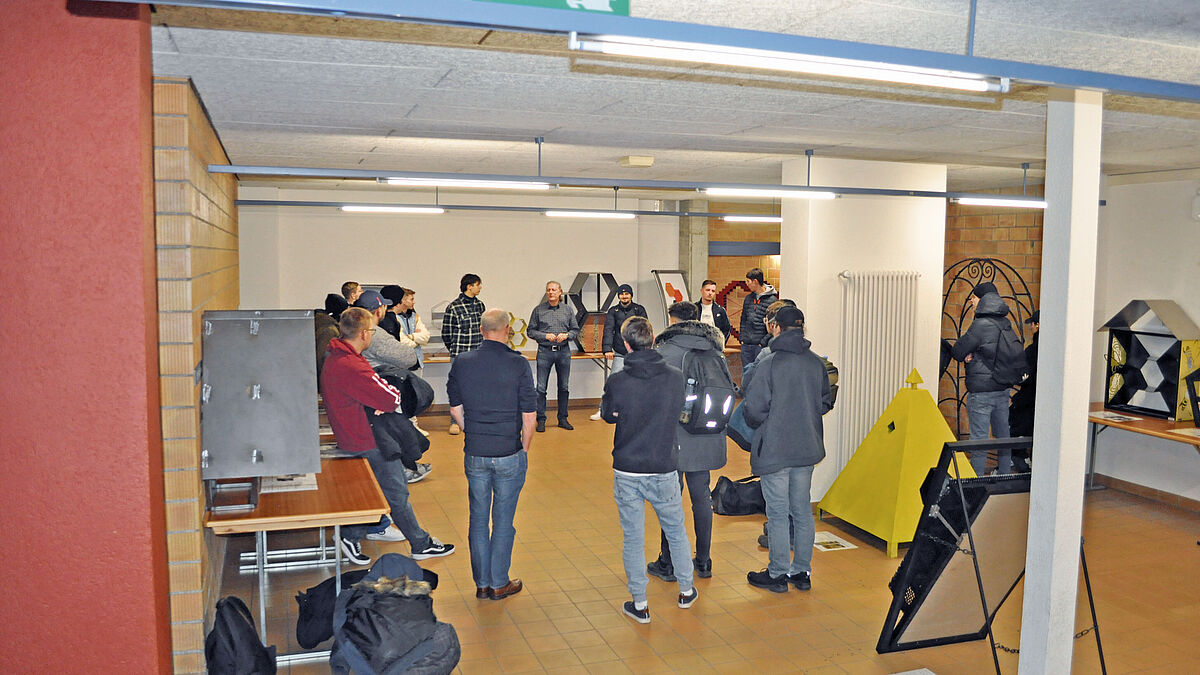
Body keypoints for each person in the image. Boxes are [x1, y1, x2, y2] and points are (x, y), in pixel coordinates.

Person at [320, 307, 455, 565]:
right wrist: (384, 399)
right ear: (362, 334)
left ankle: (352, 534)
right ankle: (419, 544)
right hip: (368, 439)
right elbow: (391, 397)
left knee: (375, 493)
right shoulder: (351, 365)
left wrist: (377, 398)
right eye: (370, 330)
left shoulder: (336, 356)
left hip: (353, 433)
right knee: (395, 493)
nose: (371, 335)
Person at [601, 316, 698, 624]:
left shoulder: (617, 380)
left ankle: (640, 604)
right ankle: (686, 590)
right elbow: (682, 408)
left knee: (633, 537)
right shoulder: (674, 376)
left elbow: (608, 416)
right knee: (675, 529)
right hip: (663, 466)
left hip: (628, 469)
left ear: (626, 344)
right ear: (653, 339)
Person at [447, 308, 537, 601]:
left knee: (477, 518)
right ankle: (500, 582)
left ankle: (482, 583)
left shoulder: (462, 362)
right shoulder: (518, 364)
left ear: (481, 330)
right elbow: (529, 416)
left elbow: (455, 410)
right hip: (508, 451)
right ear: (507, 330)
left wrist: (472, 433)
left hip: (475, 452)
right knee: (502, 521)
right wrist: (522, 448)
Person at [743, 306, 832, 593]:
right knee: (802, 511)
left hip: (775, 449)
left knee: (778, 513)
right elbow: (824, 404)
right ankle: (802, 573)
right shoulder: (816, 363)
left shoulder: (769, 364)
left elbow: (753, 410)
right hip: (806, 447)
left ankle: (778, 573)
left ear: (777, 329)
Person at [645, 301, 729, 583]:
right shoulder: (715, 351)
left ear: (673, 321)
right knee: (701, 498)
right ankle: (703, 562)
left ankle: (667, 563)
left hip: (675, 435)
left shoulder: (665, 351)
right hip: (707, 431)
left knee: (670, 498)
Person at [951, 282, 1016, 474]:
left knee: (979, 442)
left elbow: (957, 350)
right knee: (1004, 438)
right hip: (1002, 390)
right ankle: (1004, 477)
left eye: (973, 297)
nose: (971, 300)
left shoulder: (979, 325)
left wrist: (967, 354)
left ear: (982, 299)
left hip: (981, 393)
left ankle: (976, 484)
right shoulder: (1006, 322)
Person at [527, 281, 579, 432]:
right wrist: (544, 336)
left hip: (563, 351)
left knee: (564, 387)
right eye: (548, 290)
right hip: (545, 351)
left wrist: (567, 335)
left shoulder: (568, 310)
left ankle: (563, 418)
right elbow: (530, 331)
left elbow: (575, 330)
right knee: (541, 388)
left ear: (560, 292)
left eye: (554, 290)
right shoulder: (538, 310)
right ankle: (541, 419)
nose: (551, 292)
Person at [590, 283, 647, 421]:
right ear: (619, 296)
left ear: (631, 295)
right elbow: (608, 329)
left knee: (640, 381)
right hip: (620, 351)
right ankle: (603, 410)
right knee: (613, 382)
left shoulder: (639, 309)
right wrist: (607, 349)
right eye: (622, 294)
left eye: (627, 293)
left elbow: (645, 328)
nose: (624, 296)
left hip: (637, 352)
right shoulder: (613, 311)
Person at [441, 274, 485, 435]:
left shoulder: (480, 306)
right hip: (460, 355)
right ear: (469, 286)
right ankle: (455, 421)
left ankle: (474, 419)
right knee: (458, 388)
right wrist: (454, 349)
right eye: (478, 285)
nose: (480, 288)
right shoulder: (454, 307)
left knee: (478, 387)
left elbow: (484, 329)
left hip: (478, 355)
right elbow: (446, 333)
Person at [1008, 310, 1040, 471]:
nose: (1030, 328)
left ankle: (1020, 459)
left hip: (1028, 397)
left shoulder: (1032, 350)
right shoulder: (1054, 349)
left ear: (1037, 325)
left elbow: (1023, 374)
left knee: (1015, 424)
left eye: (1032, 324)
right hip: (1039, 398)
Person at [739, 268, 778, 367]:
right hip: (746, 345)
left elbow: (774, 324)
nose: (746, 284)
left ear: (755, 281)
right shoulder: (748, 298)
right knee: (746, 373)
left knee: (759, 373)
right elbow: (743, 319)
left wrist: (763, 342)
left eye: (748, 281)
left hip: (761, 346)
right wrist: (742, 338)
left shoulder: (772, 300)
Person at [695, 279, 732, 344]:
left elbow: (727, 329)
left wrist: (722, 344)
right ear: (701, 291)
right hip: (697, 345)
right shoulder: (694, 309)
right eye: (707, 290)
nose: (710, 293)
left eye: (713, 291)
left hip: (714, 346)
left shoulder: (720, 310)